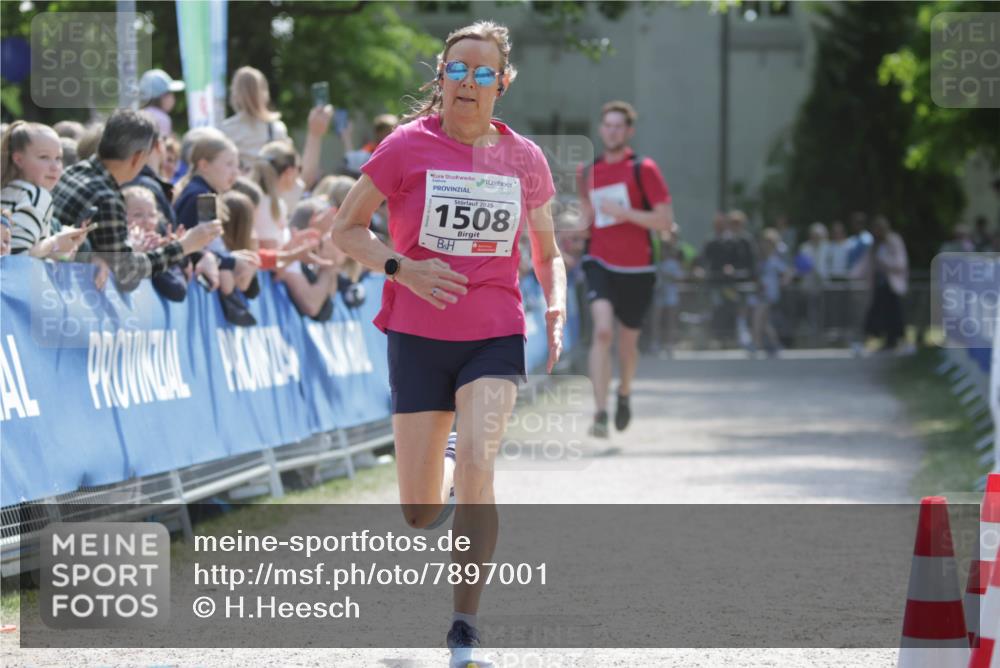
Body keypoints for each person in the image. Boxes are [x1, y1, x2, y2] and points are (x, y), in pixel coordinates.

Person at [330, 21, 564, 668]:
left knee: (480, 468)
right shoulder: (405, 147)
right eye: (457, 69)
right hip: (416, 334)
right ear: (440, 76)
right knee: (417, 509)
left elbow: (546, 250)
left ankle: (465, 626)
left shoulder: (524, 158)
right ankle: (450, 467)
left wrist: (556, 302)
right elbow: (345, 230)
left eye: (483, 72)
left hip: (494, 329)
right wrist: (400, 266)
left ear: (503, 84)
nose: (467, 82)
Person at [576, 100, 674, 437]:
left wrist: (625, 213)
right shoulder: (587, 172)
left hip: (638, 268)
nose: (612, 131)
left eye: (619, 126)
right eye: (608, 125)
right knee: (603, 332)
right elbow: (586, 219)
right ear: (601, 129)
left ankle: (625, 392)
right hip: (599, 260)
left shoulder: (643, 169)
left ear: (629, 131)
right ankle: (600, 412)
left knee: (628, 345)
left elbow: (664, 221)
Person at [50, 109, 221, 292]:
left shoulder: (72, 172)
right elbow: (127, 272)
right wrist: (184, 246)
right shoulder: (107, 198)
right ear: (138, 158)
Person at [0, 121, 90, 259]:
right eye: (44, 157)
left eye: (58, 158)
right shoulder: (36, 195)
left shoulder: (7, 190)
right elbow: (17, 257)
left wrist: (65, 245)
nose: (55, 167)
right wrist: (55, 242)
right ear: (18, 159)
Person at [850, 215, 910, 353]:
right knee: (875, 313)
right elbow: (865, 263)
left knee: (894, 315)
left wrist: (883, 261)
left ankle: (895, 340)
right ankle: (870, 339)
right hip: (879, 285)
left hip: (892, 286)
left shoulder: (894, 241)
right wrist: (851, 275)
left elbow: (900, 263)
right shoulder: (874, 245)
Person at [138, 68, 184, 138]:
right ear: (159, 96)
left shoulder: (139, 115)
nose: (173, 97)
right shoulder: (161, 118)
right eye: (168, 93)